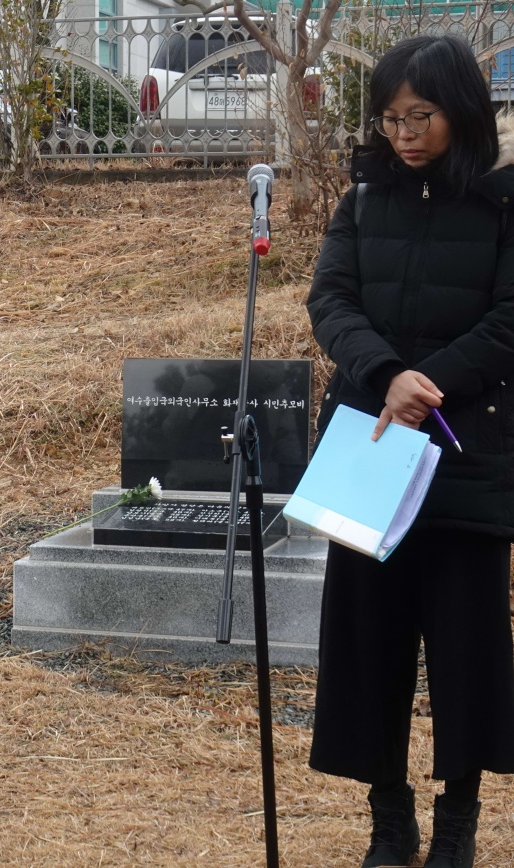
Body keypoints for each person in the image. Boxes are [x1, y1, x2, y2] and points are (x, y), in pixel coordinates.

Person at [306, 35, 514, 868]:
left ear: (460, 111)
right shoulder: (362, 197)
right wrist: (387, 375)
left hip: (471, 449)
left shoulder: (503, 203)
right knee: (367, 639)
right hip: (374, 442)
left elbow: (509, 318)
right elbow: (331, 298)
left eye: (420, 116)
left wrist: (428, 382)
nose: (404, 134)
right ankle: (388, 820)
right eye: (391, 117)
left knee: (466, 647)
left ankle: (456, 823)